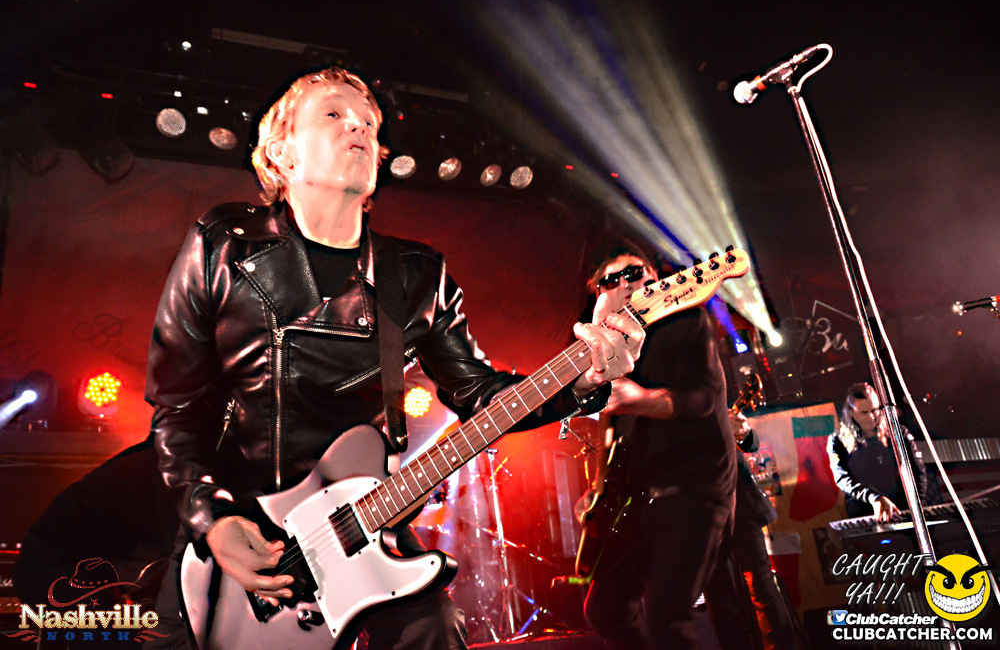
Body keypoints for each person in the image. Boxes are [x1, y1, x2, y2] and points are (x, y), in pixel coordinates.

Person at [144, 67, 644, 650]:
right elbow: (176, 407)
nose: (358, 126)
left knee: (435, 629)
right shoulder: (223, 244)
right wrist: (211, 518)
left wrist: (582, 378)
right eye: (334, 114)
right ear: (281, 152)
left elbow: (480, 394)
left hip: (363, 521)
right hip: (238, 532)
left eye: (369, 122)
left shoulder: (415, 275)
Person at [579, 249, 735, 650]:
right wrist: (598, 486)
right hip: (640, 496)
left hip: (695, 489)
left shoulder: (686, 320)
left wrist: (642, 400)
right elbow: (608, 417)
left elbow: (703, 398)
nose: (624, 283)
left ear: (653, 276)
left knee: (668, 616)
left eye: (634, 273)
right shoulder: (608, 344)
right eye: (610, 281)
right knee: (605, 611)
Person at [705, 411, 798, 650]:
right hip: (700, 513)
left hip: (741, 504)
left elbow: (751, 444)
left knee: (762, 585)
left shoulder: (713, 396)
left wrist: (743, 433)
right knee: (721, 595)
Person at [826, 382, 927, 521]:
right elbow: (843, 479)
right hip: (865, 512)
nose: (871, 417)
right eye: (864, 413)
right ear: (850, 412)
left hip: (904, 509)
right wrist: (875, 498)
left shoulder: (898, 433)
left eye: (874, 410)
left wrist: (917, 506)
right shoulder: (837, 441)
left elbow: (918, 471)